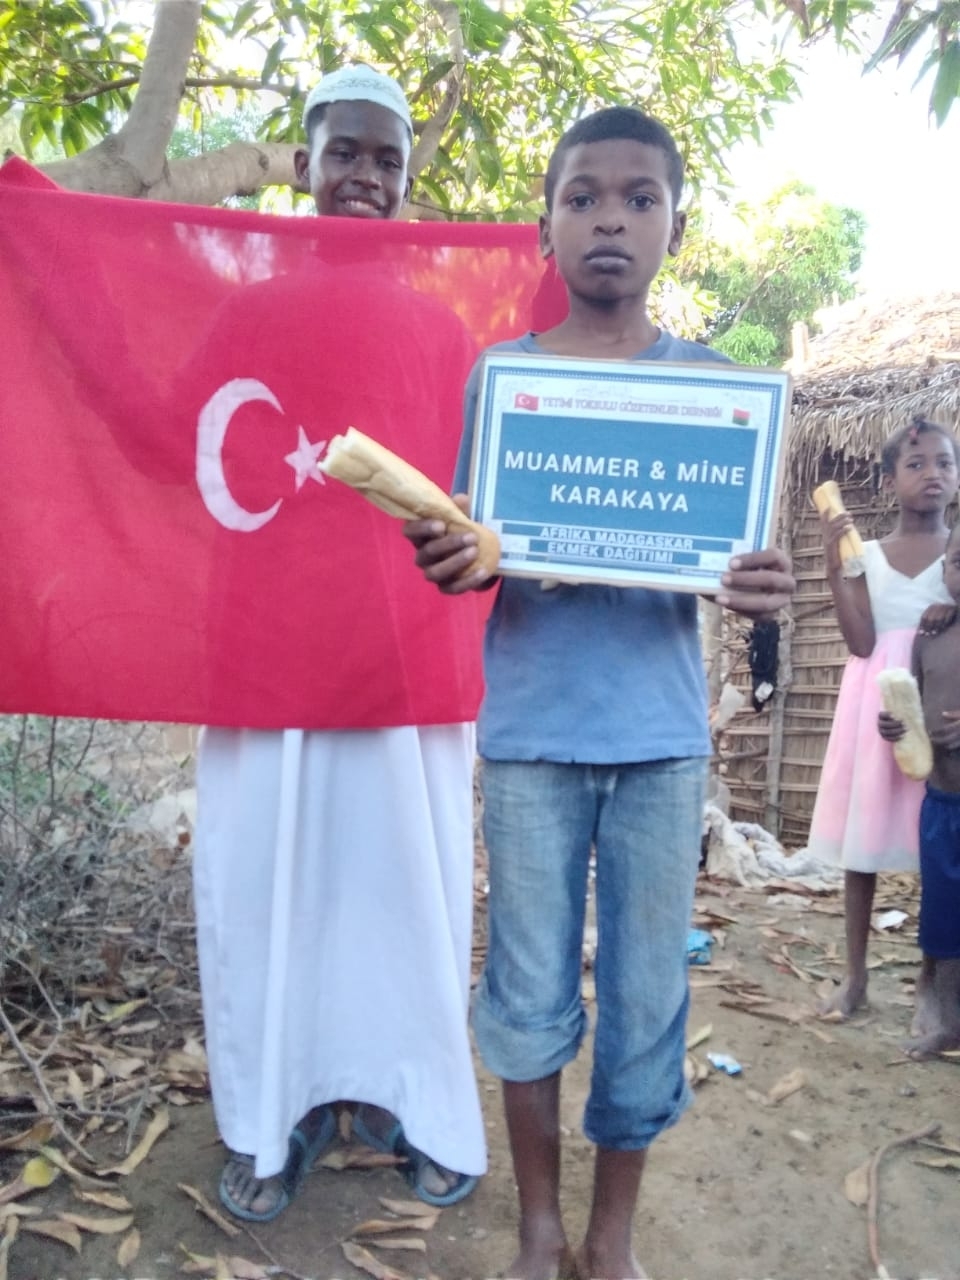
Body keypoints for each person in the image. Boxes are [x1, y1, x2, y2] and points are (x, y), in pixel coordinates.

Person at [405, 106, 795, 1280]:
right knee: (526, 986)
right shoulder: (504, 380)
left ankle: (609, 1239)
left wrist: (762, 588)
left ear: (675, 225)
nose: (610, 218)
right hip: (530, 738)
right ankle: (539, 1228)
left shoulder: (720, 395)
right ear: (546, 227)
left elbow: (741, 567)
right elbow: (477, 548)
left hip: (662, 746)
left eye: (638, 197)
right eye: (582, 197)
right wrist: (453, 557)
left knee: (645, 997)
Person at [193, 65, 484, 1224]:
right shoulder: (244, 310)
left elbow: (480, 493)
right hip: (270, 654)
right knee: (269, 890)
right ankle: (272, 1118)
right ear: (305, 163)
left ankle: (412, 1102)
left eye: (388, 159)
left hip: (406, 659)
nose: (366, 175)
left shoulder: (444, 327)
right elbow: (182, 443)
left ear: (409, 179)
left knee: (403, 888)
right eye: (346, 152)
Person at [808, 417, 960, 1020]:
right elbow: (862, 642)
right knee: (863, 842)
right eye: (916, 464)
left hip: (943, 712)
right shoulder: (864, 556)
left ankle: (930, 985)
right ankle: (855, 978)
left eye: (945, 463)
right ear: (888, 480)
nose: (933, 474)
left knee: (940, 846)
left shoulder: (958, 556)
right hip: (876, 707)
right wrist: (832, 561)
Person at [878, 518, 960, 1058]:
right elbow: (910, 706)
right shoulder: (931, 638)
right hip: (944, 803)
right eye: (959, 563)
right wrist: (894, 726)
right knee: (944, 915)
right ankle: (949, 1022)